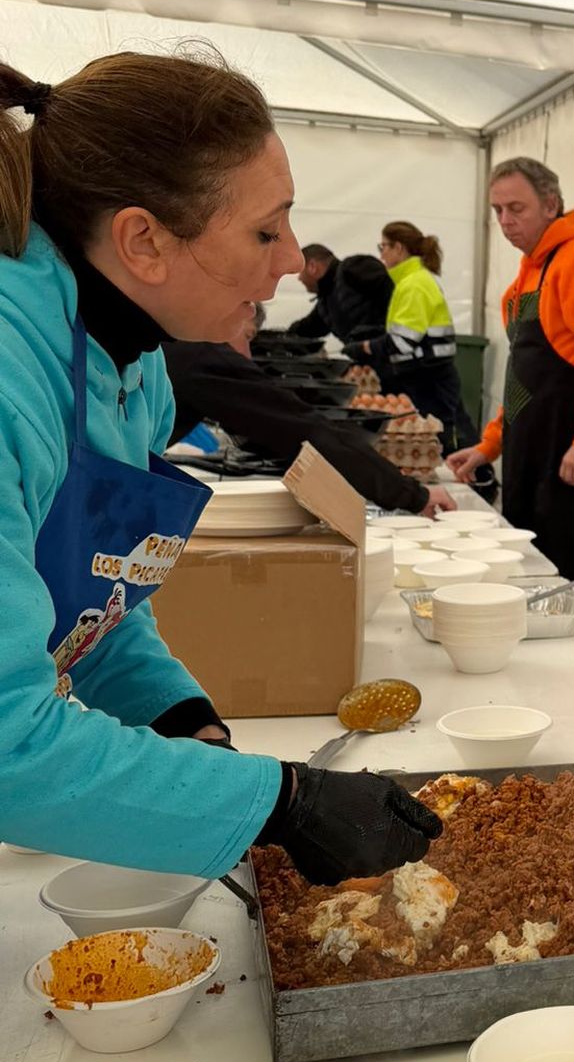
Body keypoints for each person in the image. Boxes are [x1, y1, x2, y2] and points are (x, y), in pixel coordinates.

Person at [0, 52, 440, 885]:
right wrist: (281, 802)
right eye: (264, 231)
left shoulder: (129, 363)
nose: (287, 263)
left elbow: (95, 587)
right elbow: (5, 740)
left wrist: (176, 715)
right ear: (144, 241)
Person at [447, 157, 574, 580]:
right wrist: (490, 445)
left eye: (516, 209)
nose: (505, 221)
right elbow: (523, 380)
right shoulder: (525, 278)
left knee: (562, 573)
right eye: (498, 211)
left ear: (550, 205)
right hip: (527, 447)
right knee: (526, 563)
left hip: (569, 450)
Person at [161, 333, 456, 517]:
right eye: (249, 336)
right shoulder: (199, 353)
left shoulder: (169, 344)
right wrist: (414, 495)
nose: (248, 355)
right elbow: (307, 431)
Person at [354, 222, 475, 453]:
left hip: (430, 379)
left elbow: (401, 342)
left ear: (399, 248)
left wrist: (366, 347)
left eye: (383, 247)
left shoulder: (414, 285)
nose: (381, 255)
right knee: (446, 434)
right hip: (427, 376)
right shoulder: (411, 281)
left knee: (448, 440)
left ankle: (480, 482)